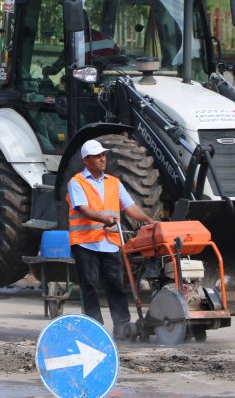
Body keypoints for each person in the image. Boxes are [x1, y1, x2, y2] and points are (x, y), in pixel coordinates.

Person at [67, 139, 157, 335]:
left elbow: (130, 207)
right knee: (89, 285)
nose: (102, 159)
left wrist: (150, 221)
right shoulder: (77, 182)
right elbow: (83, 209)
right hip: (85, 243)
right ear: (86, 160)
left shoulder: (114, 183)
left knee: (116, 285)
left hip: (110, 243)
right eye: (97, 156)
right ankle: (95, 326)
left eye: (103, 155)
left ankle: (122, 326)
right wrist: (104, 219)